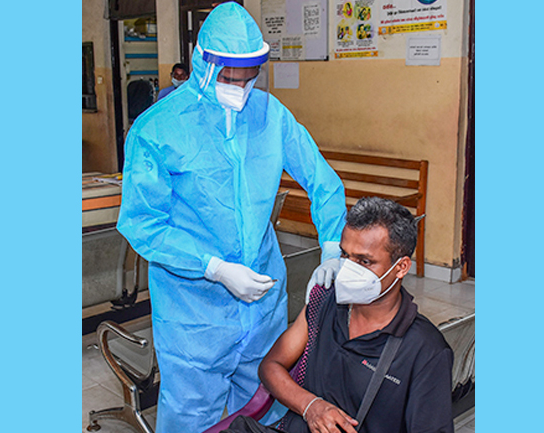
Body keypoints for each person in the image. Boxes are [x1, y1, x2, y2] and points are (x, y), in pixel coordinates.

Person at [116, 3, 347, 433]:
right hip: (193, 310)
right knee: (191, 414)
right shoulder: (157, 128)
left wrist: (332, 246)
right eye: (227, 78)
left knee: (265, 402)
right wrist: (215, 269)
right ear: (203, 63)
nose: (239, 88)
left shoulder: (270, 115)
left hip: (262, 301)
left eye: (248, 77)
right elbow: (142, 223)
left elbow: (323, 181)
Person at [222, 197, 454, 433]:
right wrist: (311, 406)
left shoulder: (425, 350)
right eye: (345, 255)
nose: (348, 270)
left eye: (364, 261)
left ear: (401, 267)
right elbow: (271, 366)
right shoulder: (325, 302)